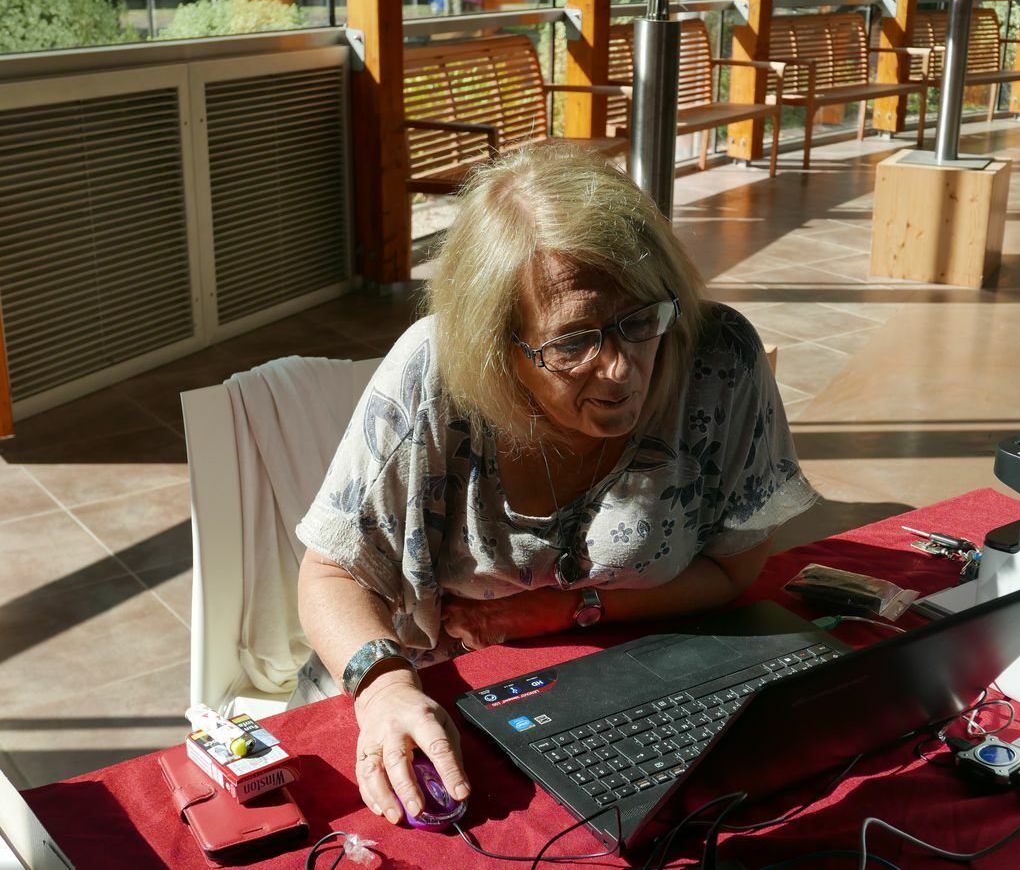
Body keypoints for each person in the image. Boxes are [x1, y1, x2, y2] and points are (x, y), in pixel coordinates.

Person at [294, 143, 817, 826]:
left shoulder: (716, 358)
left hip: (616, 683)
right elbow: (331, 572)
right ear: (498, 344)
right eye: (573, 343)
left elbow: (732, 569)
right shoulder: (434, 372)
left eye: (639, 322)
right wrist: (383, 686)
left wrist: (571, 608)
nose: (621, 370)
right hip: (416, 695)